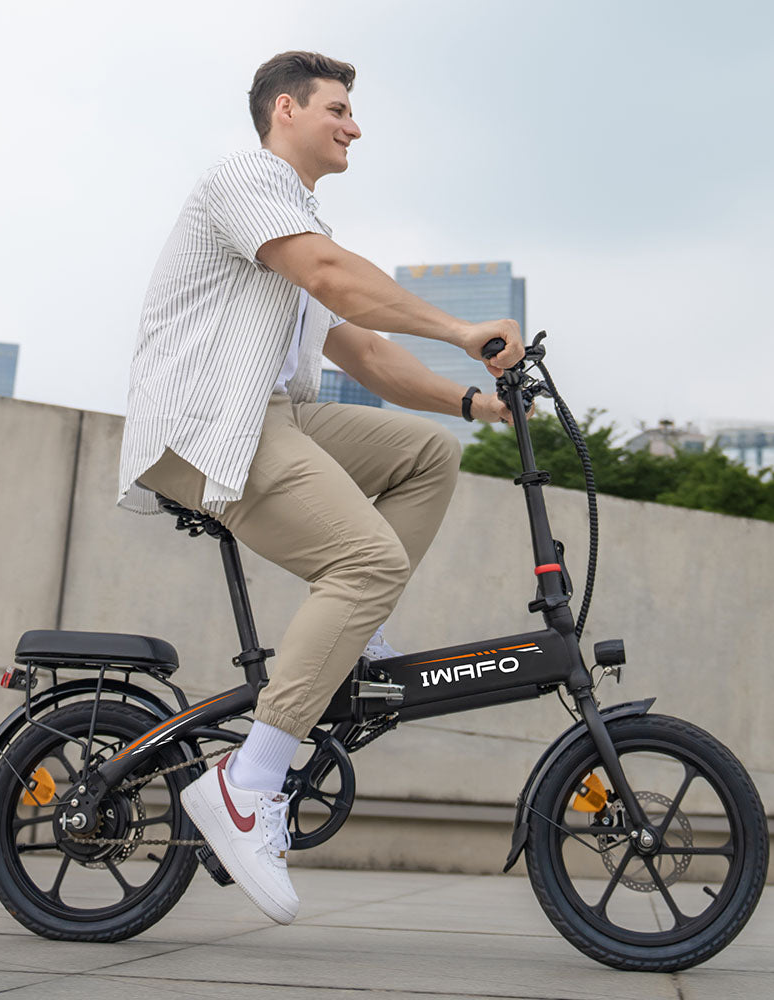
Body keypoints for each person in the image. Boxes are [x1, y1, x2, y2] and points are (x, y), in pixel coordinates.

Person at [118, 51, 524, 925]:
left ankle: (355, 633)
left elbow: (364, 352)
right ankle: (243, 784)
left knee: (426, 455)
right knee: (367, 560)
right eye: (339, 109)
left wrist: (475, 403)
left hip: (277, 415)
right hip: (207, 422)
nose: (355, 125)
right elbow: (339, 281)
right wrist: (461, 330)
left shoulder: (296, 215)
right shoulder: (244, 182)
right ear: (287, 111)